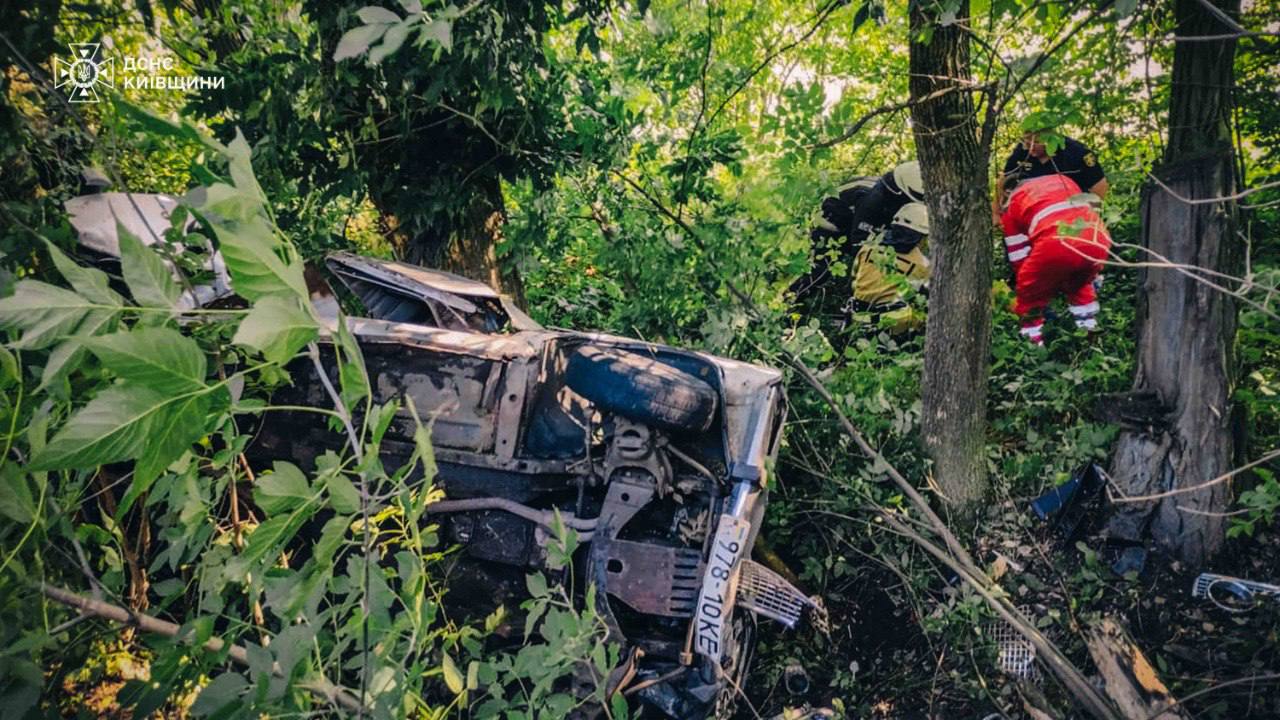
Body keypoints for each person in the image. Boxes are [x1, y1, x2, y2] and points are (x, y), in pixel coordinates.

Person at [1000, 173, 1111, 344]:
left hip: (1057, 243)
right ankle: (1089, 333)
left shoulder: (1015, 202)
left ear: (1008, 192)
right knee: (1079, 285)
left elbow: (1018, 256)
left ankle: (1033, 342)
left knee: (1029, 290)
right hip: (1097, 239)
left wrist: (1034, 285)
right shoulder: (1063, 180)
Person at [796, 160, 926, 300]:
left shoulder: (896, 196)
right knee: (819, 272)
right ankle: (787, 304)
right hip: (831, 224)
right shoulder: (872, 202)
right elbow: (860, 246)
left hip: (855, 222)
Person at [848, 202, 930, 333]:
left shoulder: (868, 247)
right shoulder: (921, 264)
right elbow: (924, 298)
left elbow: (854, 275)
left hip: (858, 317)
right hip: (894, 324)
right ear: (920, 236)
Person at [994, 121, 1108, 213]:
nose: (1030, 148)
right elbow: (1004, 180)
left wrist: (1090, 216)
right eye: (1027, 143)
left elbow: (1099, 186)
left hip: (1069, 210)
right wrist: (996, 212)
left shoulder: (1076, 153)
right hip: (1032, 210)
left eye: (1036, 142)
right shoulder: (1021, 151)